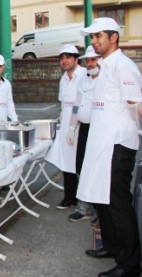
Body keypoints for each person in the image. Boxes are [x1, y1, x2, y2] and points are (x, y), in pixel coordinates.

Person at [78, 17, 142, 277]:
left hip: (117, 144)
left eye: (98, 36)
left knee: (117, 204)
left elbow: (136, 108)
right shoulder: (104, 67)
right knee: (101, 200)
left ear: (113, 37)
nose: (94, 41)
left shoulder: (124, 67)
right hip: (101, 143)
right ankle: (113, 246)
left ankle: (129, 264)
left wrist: (138, 125)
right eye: (92, 37)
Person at [45, 45, 86, 210]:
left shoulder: (84, 75)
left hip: (81, 126)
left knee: (82, 163)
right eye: (61, 58)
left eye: (68, 57)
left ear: (76, 59)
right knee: (66, 163)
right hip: (67, 125)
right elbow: (64, 105)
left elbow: (80, 104)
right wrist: (63, 126)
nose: (64, 61)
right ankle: (70, 197)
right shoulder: (63, 78)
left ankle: (87, 204)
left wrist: (73, 126)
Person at [66, 46, 101, 222]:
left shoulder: (105, 79)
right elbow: (76, 106)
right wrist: (72, 127)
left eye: (93, 59)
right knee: (81, 167)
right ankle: (85, 207)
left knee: (98, 170)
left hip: (101, 130)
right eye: (87, 60)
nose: (89, 63)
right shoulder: (83, 81)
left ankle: (99, 211)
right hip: (85, 129)